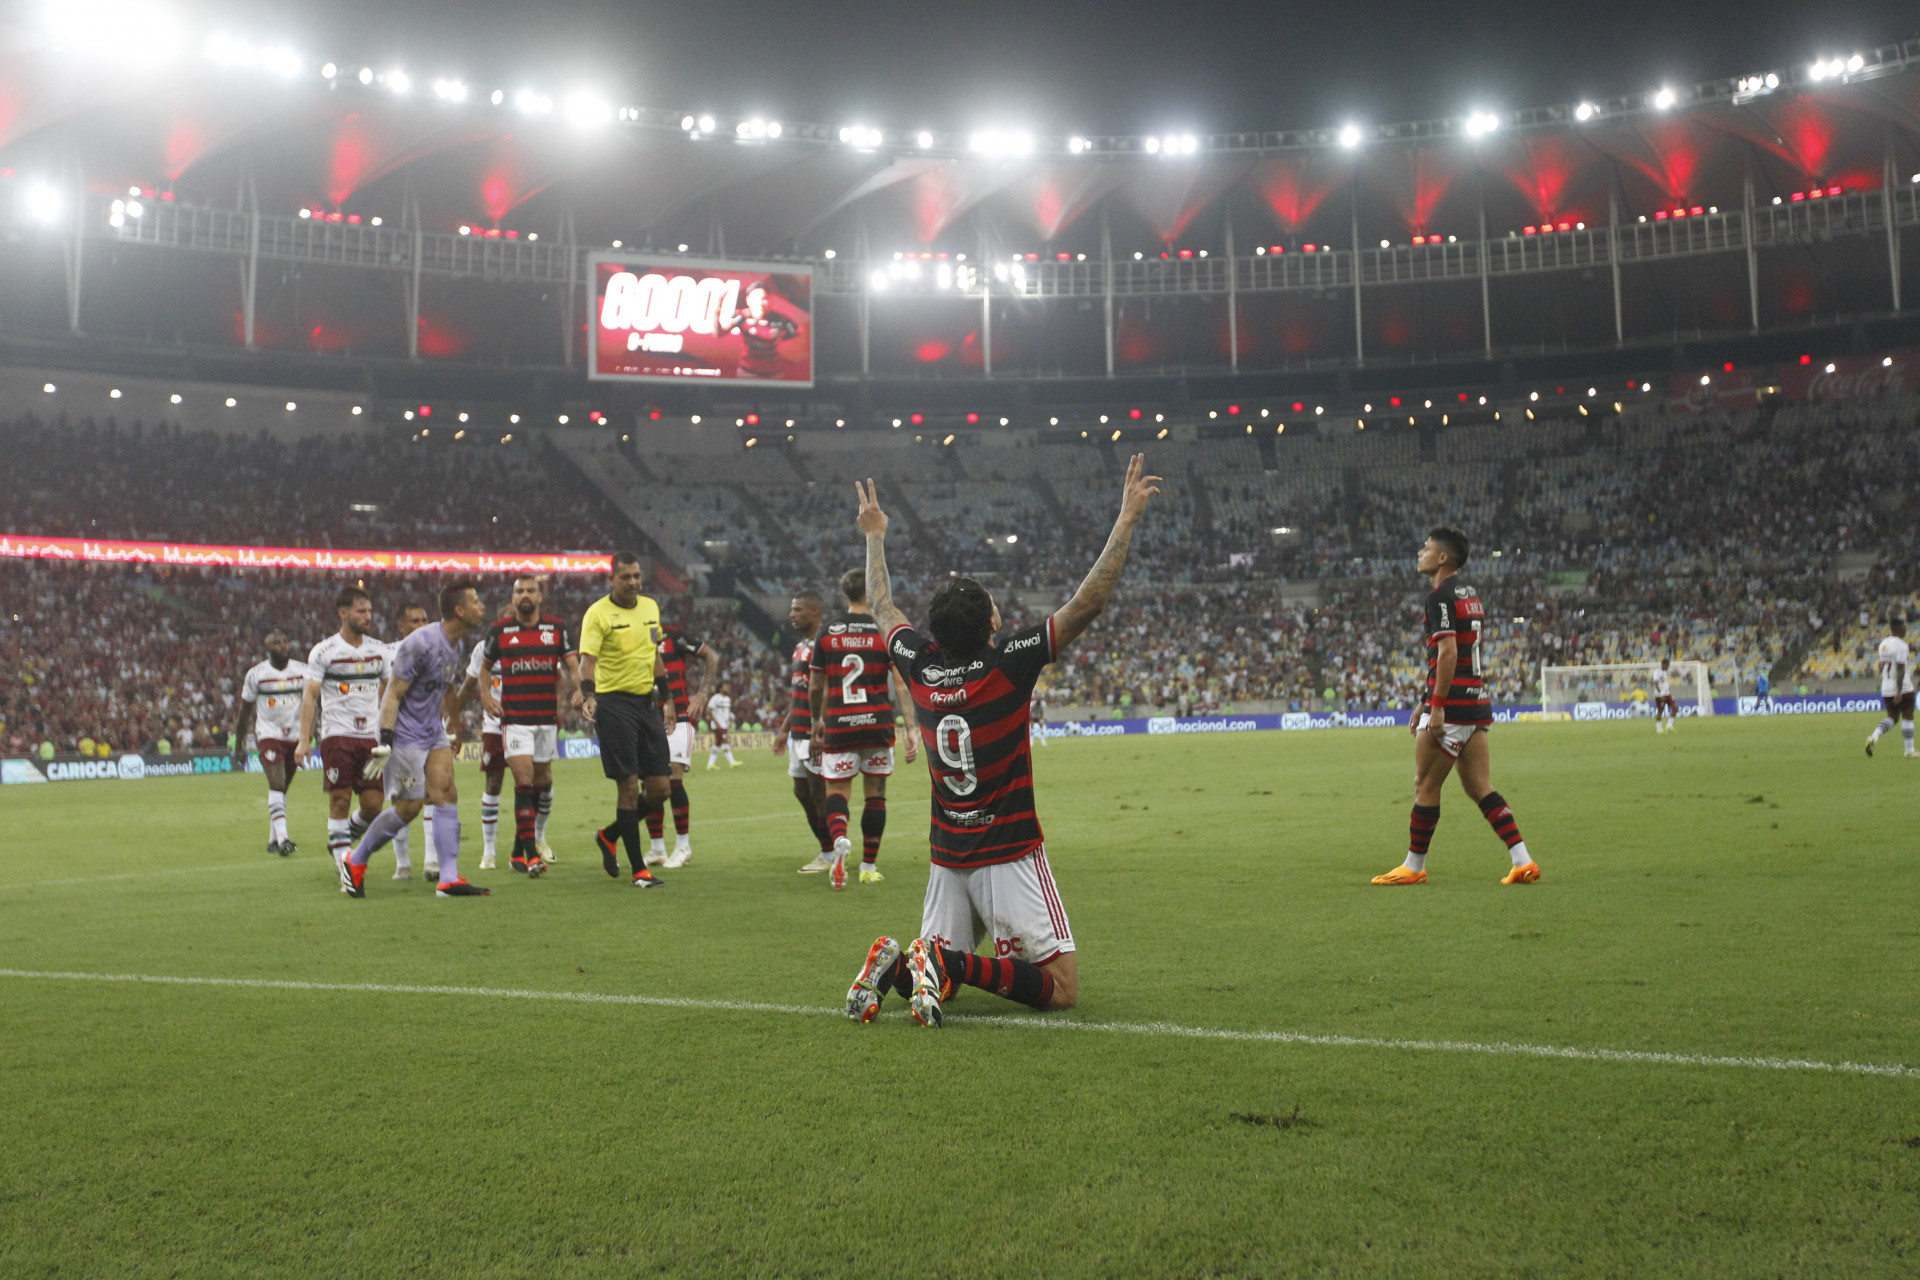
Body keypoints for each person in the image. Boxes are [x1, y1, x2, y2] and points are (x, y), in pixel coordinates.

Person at [843, 458, 1159, 1029]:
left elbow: (884, 606)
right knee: (1062, 990)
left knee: (949, 985)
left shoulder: (916, 662)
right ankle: (935, 955)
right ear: (991, 623)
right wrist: (1126, 520)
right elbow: (1088, 602)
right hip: (1008, 850)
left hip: (947, 853)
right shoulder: (1008, 664)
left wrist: (875, 537)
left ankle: (898, 966)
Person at [1373, 526, 1539, 887]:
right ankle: (1522, 859)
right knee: (1479, 784)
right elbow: (1456, 653)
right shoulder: (1470, 595)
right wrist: (1423, 700)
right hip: (1476, 700)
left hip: (1453, 704)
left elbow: (1448, 652)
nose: (1421, 552)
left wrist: (1436, 706)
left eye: (1427, 548)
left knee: (1425, 785)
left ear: (1443, 558)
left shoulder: (1439, 598)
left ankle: (1414, 867)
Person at [337, 579, 490, 898]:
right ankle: (355, 859)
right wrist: (386, 740)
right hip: (405, 735)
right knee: (409, 807)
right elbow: (392, 694)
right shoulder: (419, 644)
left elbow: (445, 687)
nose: (482, 606)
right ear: (459, 610)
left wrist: (454, 725)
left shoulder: (458, 644)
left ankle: (448, 878)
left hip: (432, 731)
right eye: (476, 601)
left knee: (446, 791)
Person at [809, 567, 917, 888]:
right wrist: (911, 728)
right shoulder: (885, 630)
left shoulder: (828, 632)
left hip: (841, 725)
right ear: (871, 593)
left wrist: (817, 720)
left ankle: (840, 840)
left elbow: (815, 686)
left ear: (845, 595)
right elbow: (900, 684)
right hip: (877, 724)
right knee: (876, 795)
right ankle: (868, 866)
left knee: (837, 792)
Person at [575, 552, 673, 889]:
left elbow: (655, 655)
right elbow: (587, 662)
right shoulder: (597, 614)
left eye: (636, 576)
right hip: (614, 704)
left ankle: (609, 835)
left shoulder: (650, 608)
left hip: (647, 704)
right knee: (628, 786)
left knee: (661, 787)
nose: (633, 582)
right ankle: (639, 871)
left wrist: (668, 698)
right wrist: (589, 695)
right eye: (625, 577)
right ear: (611, 580)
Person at [478, 575, 579, 872]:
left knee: (541, 782)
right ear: (512, 598)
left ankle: (517, 850)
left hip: (546, 719)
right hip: (516, 719)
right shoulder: (500, 631)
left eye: (530, 590)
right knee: (522, 782)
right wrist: (485, 696)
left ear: (539, 596)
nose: (525, 595)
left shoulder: (557, 629)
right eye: (519, 591)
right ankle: (530, 853)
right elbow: (484, 669)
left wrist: (580, 692)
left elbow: (573, 667)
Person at [299, 588, 390, 871]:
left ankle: (344, 836)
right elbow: (310, 696)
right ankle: (345, 869)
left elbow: (390, 694)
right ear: (343, 613)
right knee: (340, 799)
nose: (367, 617)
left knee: (374, 806)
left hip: (371, 739)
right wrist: (304, 740)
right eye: (361, 611)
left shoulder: (379, 651)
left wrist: (388, 732)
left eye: (369, 611)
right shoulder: (324, 651)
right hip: (337, 735)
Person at [646, 622, 717, 868]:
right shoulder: (631, 638)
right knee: (650, 784)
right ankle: (657, 848)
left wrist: (702, 693)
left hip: (678, 718)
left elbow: (711, 656)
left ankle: (683, 846)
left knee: (674, 780)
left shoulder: (673, 637)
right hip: (647, 718)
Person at [233, 629, 309, 855]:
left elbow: (311, 705)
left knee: (282, 789)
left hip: (294, 737)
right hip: (268, 735)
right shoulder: (256, 675)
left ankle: (273, 840)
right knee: (276, 783)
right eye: (276, 643)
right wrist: (239, 746)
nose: (283, 646)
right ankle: (284, 839)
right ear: (267, 649)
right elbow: (244, 713)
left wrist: (309, 734)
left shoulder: (302, 671)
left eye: (285, 641)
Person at [779, 591, 837, 873]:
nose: (792, 614)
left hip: (814, 732)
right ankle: (828, 847)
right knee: (801, 791)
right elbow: (800, 693)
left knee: (818, 792)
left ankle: (830, 853)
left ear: (815, 612)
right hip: (797, 732)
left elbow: (825, 690)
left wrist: (820, 727)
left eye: (798, 610)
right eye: (792, 609)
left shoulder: (823, 645)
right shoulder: (800, 646)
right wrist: (783, 730)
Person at [387, 604, 437, 880]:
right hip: (402, 737)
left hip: (431, 733)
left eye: (425, 619)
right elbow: (386, 694)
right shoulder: (389, 654)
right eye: (414, 621)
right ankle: (402, 864)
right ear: (401, 627)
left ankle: (431, 863)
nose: (421, 625)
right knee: (404, 797)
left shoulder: (437, 651)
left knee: (431, 794)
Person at [457, 639, 508, 870]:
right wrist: (450, 719)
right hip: (495, 723)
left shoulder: (534, 638)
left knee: (536, 781)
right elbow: (468, 685)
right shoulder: (483, 647)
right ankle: (489, 851)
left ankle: (536, 841)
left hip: (527, 720)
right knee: (493, 782)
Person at [1867, 615, 1914, 757]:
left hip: (1886, 687)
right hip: (1903, 687)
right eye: (1904, 627)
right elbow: (1900, 668)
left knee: (1892, 717)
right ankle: (1909, 750)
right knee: (1908, 714)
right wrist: (1899, 690)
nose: (1906, 629)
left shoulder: (1883, 644)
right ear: (1900, 628)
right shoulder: (1901, 645)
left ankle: (1874, 736)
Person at [705, 687, 739, 769]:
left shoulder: (728, 699)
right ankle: (732, 762)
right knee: (724, 740)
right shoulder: (715, 698)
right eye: (725, 686)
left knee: (717, 743)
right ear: (720, 688)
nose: (727, 688)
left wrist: (730, 719)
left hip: (724, 724)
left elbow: (727, 711)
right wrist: (716, 722)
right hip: (717, 725)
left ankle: (710, 764)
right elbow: (708, 710)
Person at [1651, 658, 1680, 734]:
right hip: (1660, 695)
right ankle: (1659, 729)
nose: (1668, 667)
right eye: (1667, 665)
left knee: (1675, 708)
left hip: (1667, 694)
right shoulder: (1657, 672)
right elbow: (1656, 683)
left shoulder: (1664, 672)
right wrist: (1661, 694)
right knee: (1660, 711)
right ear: (1663, 664)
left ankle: (1669, 726)